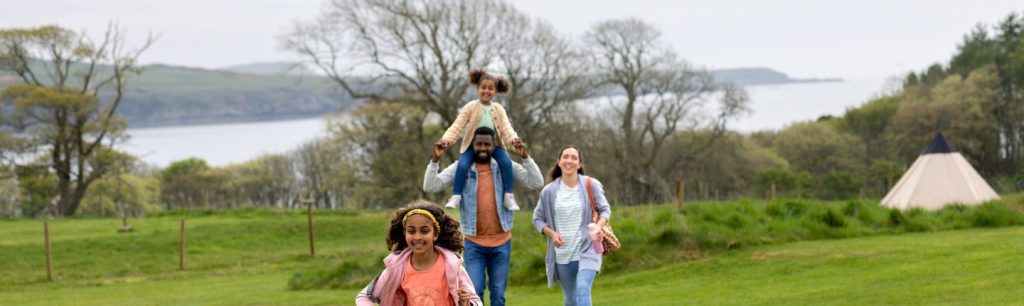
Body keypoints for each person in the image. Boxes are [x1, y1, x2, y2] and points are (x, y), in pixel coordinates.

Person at [424, 126, 544, 306]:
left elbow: (536, 182)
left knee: (498, 295)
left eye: (487, 144)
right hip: (474, 243)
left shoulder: (505, 167)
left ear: (494, 145)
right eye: (478, 144)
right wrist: (435, 160)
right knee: (475, 292)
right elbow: (431, 186)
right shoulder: (461, 168)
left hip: (502, 242)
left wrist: (525, 157)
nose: (482, 148)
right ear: (472, 145)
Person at [356, 201, 483, 306]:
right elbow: (364, 297)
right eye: (411, 231)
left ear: (435, 234)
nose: (417, 237)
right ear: (405, 234)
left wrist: (467, 303)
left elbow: (476, 302)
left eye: (424, 231)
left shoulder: (452, 267)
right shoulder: (396, 268)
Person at [532, 146, 611, 306]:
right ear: (559, 162)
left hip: (588, 249)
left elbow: (605, 210)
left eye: (574, 158)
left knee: (583, 289)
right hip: (562, 254)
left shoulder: (591, 184)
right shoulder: (548, 191)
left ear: (579, 164)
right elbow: (537, 219)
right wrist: (552, 234)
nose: (569, 160)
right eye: (565, 157)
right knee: (570, 299)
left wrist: (598, 226)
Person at [436, 68, 524, 211]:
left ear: (495, 92)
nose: (486, 91)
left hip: (493, 146)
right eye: (483, 88)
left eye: (490, 89)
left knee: (507, 162)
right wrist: (445, 140)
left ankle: (509, 197)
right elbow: (457, 126)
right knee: (463, 165)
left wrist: (514, 139)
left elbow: (506, 128)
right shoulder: (471, 107)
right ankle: (456, 196)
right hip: (472, 146)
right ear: (478, 88)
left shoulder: (499, 109)